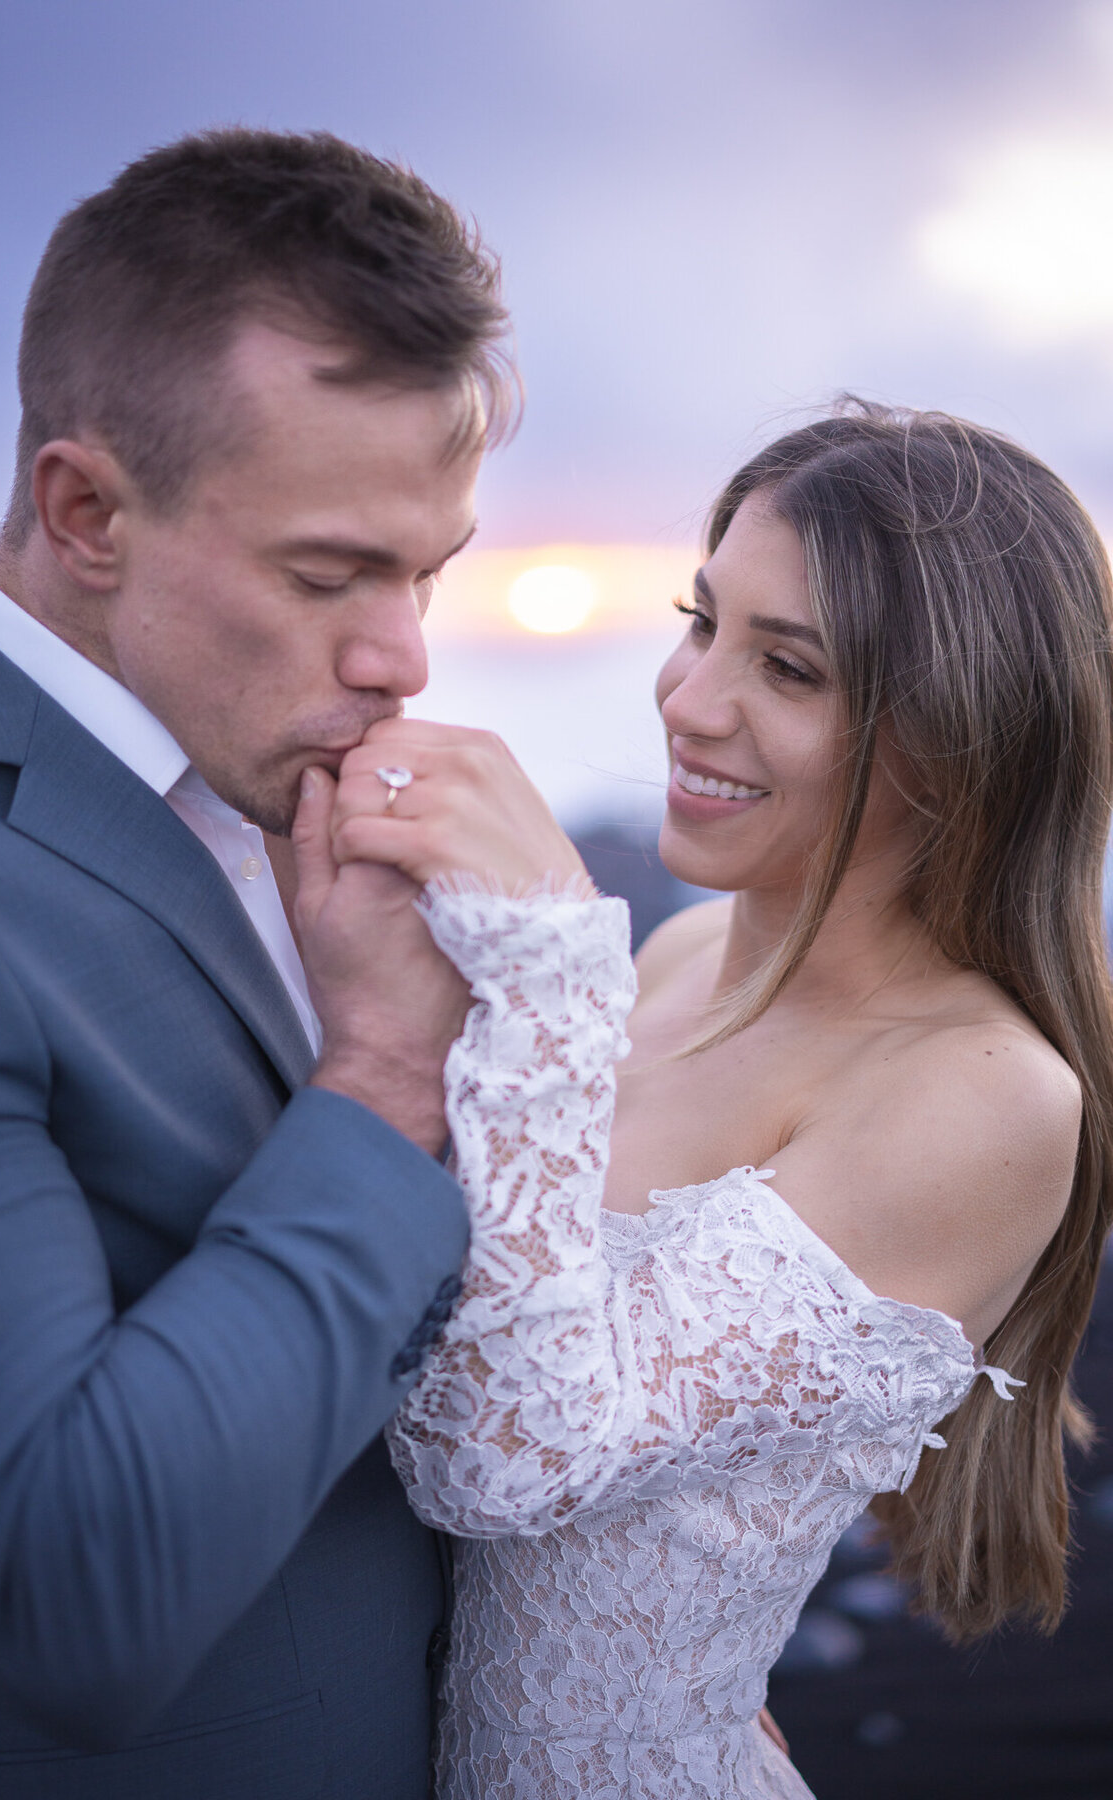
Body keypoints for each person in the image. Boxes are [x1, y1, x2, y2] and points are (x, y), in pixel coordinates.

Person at [312, 404, 1113, 1797]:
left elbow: (503, 1460)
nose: (687, 700)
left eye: (787, 667)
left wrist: (547, 956)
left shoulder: (986, 1096)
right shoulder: (683, 955)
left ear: (962, 736)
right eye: (702, 621)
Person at [0, 128, 518, 1800]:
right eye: (330, 574)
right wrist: (385, 1081)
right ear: (85, 511)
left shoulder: (253, 743)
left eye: (429, 571)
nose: (404, 657)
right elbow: (61, 1592)